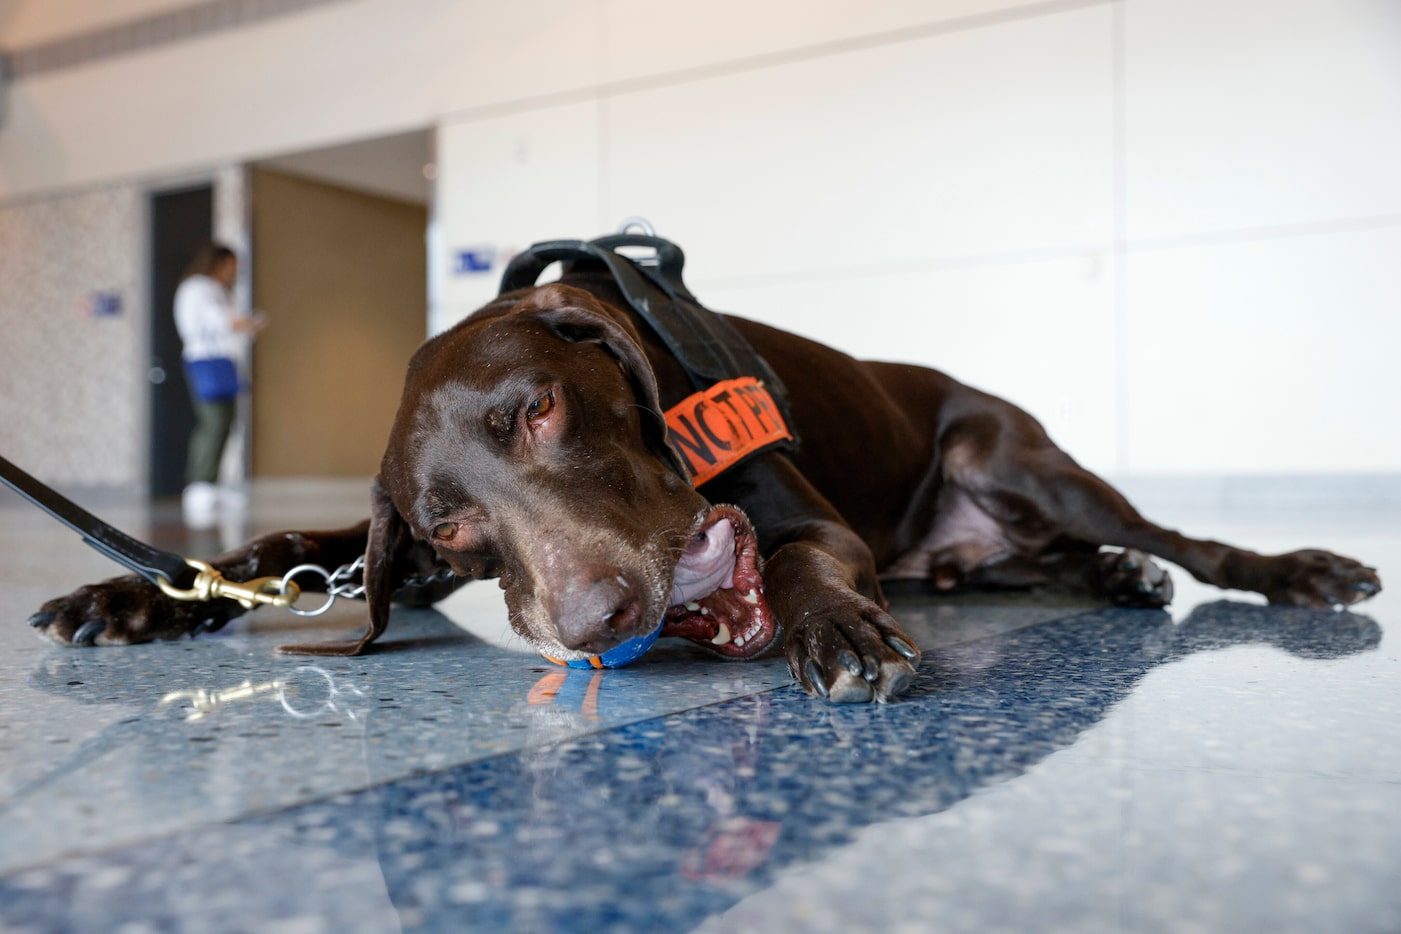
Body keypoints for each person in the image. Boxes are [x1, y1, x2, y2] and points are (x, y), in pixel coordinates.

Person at [173, 243, 264, 525]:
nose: (233, 272)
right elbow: (218, 321)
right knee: (212, 422)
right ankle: (200, 484)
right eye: (231, 266)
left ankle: (211, 483)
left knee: (225, 421)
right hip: (205, 361)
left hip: (222, 362)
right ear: (219, 263)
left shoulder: (215, 290)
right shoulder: (198, 287)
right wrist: (242, 323)